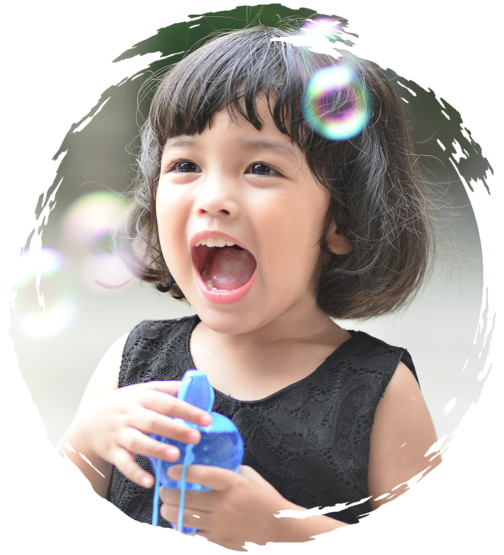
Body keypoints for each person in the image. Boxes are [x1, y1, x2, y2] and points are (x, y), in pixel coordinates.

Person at [56, 20, 459, 542]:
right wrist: (85, 445)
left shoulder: (377, 391)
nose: (214, 197)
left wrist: (286, 531)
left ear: (342, 222)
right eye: (184, 164)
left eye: (261, 168)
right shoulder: (132, 365)